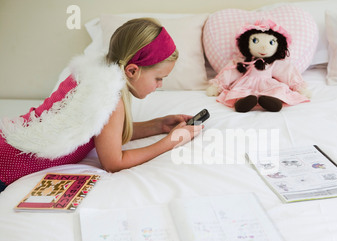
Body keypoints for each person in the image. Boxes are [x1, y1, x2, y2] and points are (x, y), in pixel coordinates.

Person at [0, 18, 202, 193]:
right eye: (159, 78)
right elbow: (114, 163)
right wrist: (172, 141)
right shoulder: (109, 96)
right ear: (132, 71)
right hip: (8, 167)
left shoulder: (97, 75)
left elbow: (107, 133)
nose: (160, 85)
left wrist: (158, 125)